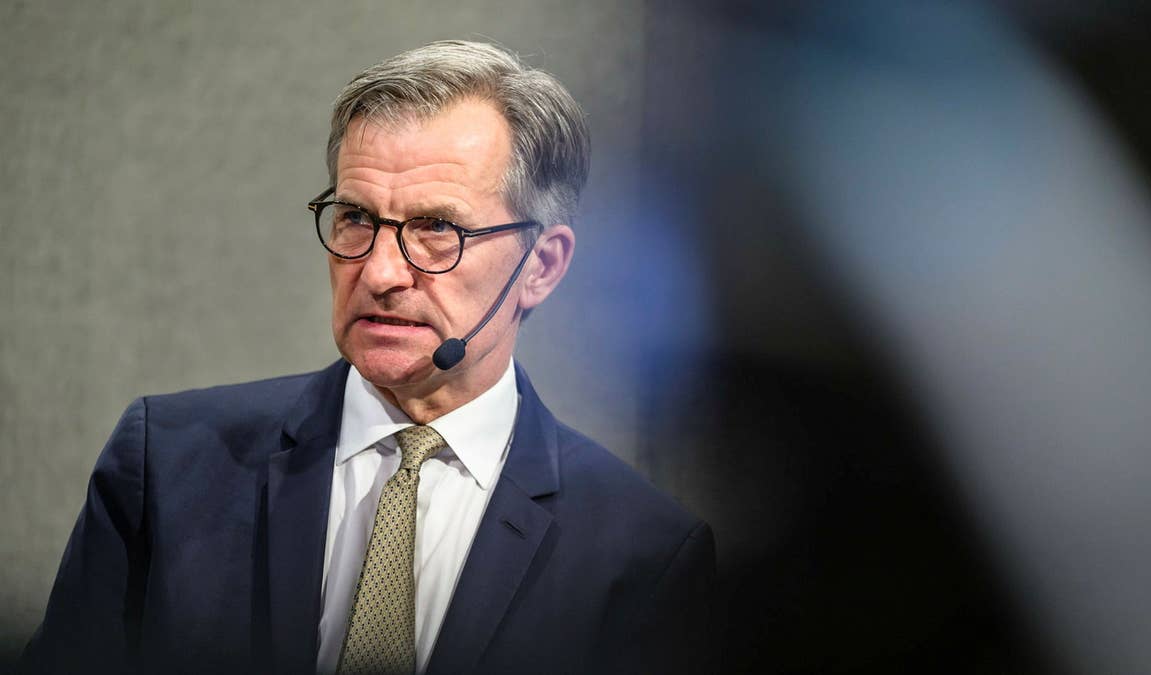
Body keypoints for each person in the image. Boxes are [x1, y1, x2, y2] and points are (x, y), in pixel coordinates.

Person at [21, 40, 714, 675]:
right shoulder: (167, 467)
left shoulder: (643, 555)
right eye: (356, 217)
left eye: (436, 227)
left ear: (542, 265)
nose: (380, 271)